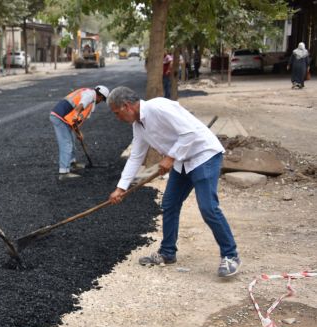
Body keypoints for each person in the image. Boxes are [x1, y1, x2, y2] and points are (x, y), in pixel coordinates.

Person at [106, 86, 241, 278]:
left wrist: (170, 157)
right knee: (169, 204)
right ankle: (167, 252)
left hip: (203, 156)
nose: (117, 118)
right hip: (182, 162)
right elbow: (136, 156)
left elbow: (190, 132)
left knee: (208, 207)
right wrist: (121, 188)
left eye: (117, 113)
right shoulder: (139, 126)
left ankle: (230, 255)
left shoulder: (158, 107)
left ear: (127, 106)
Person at [49, 85, 109, 180]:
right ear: (101, 97)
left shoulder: (88, 92)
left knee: (71, 140)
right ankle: (63, 172)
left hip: (65, 118)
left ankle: (72, 163)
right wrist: (77, 113)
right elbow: (81, 105)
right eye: (101, 100)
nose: (100, 102)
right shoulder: (89, 95)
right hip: (59, 117)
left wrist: (78, 133)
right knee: (66, 143)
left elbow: (74, 121)